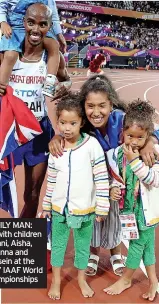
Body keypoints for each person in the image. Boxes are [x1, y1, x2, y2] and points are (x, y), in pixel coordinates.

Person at [49, 75, 159, 277]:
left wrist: (151, 141)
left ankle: (116, 253)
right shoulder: (83, 124)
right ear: (84, 106)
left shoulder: (122, 119)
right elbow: (67, 128)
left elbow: (147, 128)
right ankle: (93, 253)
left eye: (102, 106)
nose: (96, 112)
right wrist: (57, 136)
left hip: (119, 181)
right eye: (90, 106)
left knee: (116, 218)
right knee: (95, 216)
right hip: (96, 179)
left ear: (111, 104)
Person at [0, 3, 71, 218]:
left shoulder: (51, 58)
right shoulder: (7, 55)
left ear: (48, 26)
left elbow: (67, 81)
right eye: (31, 23)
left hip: (39, 131)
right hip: (10, 130)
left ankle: (22, 243)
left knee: (31, 193)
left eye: (42, 25)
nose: (35, 30)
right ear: (23, 23)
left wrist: (63, 87)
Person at [42, 92, 110, 300]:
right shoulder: (57, 148)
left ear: (81, 122)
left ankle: (81, 279)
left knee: (82, 247)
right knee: (58, 246)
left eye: (72, 123)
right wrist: (46, 204)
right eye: (62, 123)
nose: (67, 128)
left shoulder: (92, 146)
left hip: (85, 209)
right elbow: (51, 178)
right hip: (59, 209)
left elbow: (101, 178)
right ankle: (56, 281)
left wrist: (102, 206)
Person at [104, 100, 159, 301]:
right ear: (122, 133)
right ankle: (154, 281)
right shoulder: (116, 154)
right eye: (130, 136)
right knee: (147, 245)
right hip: (128, 210)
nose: (134, 142)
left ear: (148, 137)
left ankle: (126, 279)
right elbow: (113, 177)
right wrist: (113, 188)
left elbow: (154, 180)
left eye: (140, 137)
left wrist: (136, 162)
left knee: (137, 244)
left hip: (146, 211)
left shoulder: (153, 154)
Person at [0, 0, 67, 97]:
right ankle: (2, 89)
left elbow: (53, 14)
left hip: (40, 22)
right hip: (14, 25)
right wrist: (3, 22)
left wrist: (59, 34)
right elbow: (2, 5)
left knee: (54, 45)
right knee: (10, 55)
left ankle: (49, 82)